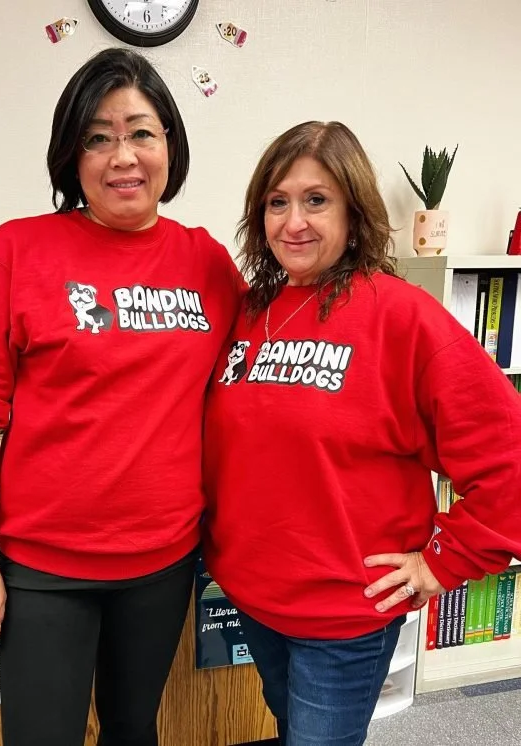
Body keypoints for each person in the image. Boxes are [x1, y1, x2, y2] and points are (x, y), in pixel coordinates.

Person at [0, 48, 242, 746]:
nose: (122, 155)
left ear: (170, 142)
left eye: (141, 131)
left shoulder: (204, 261)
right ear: (70, 156)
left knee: (133, 730)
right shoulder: (16, 251)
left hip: (163, 561)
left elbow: (252, 382)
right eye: (97, 137)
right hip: (45, 569)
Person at [202, 121, 521, 746]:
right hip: (255, 595)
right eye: (277, 201)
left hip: (345, 615)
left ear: (354, 212)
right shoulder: (250, 312)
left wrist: (443, 562)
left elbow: (509, 455)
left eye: (316, 200)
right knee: (291, 728)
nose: (294, 222)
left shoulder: (401, 315)